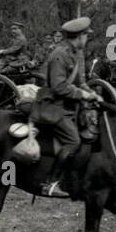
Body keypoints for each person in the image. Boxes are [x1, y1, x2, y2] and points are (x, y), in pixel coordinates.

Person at [35, 16, 101, 196]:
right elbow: (58, 87)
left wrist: (92, 93)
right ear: (79, 36)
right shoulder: (59, 55)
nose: (86, 40)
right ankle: (50, 184)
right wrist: (83, 94)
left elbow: (80, 82)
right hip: (53, 106)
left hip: (69, 106)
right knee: (74, 141)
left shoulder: (75, 54)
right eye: (86, 36)